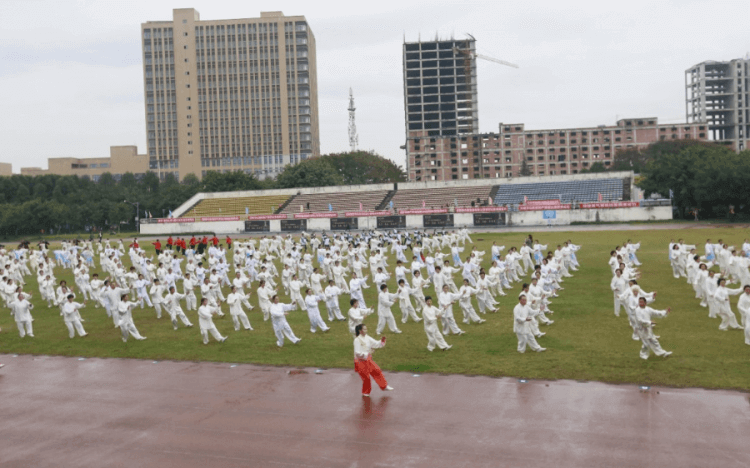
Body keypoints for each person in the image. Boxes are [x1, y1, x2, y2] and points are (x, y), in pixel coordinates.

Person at [353, 324, 394, 397]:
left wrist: (382, 341)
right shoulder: (357, 340)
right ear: (360, 331)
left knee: (377, 371)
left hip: (368, 360)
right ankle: (366, 392)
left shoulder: (367, 337)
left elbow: (375, 343)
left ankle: (384, 386)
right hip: (360, 362)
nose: (366, 330)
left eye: (366, 329)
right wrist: (367, 353)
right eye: (364, 329)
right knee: (366, 378)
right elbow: (357, 353)